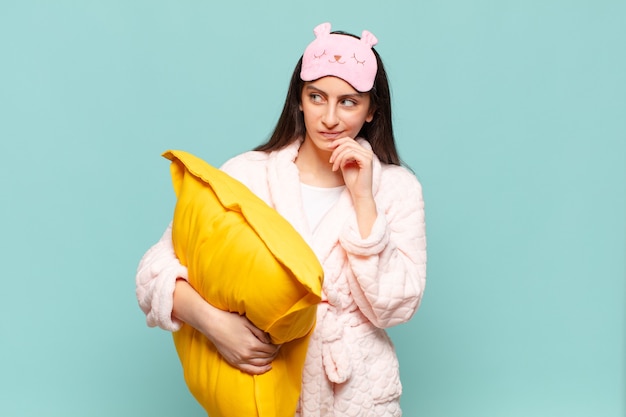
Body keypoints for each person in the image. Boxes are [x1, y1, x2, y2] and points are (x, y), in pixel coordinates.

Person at [136, 22, 427, 417]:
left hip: (359, 397)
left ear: (372, 109)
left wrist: (363, 199)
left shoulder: (396, 188)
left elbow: (394, 308)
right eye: (317, 97)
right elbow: (155, 271)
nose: (329, 117)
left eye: (348, 102)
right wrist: (214, 325)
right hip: (267, 388)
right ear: (300, 100)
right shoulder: (247, 175)